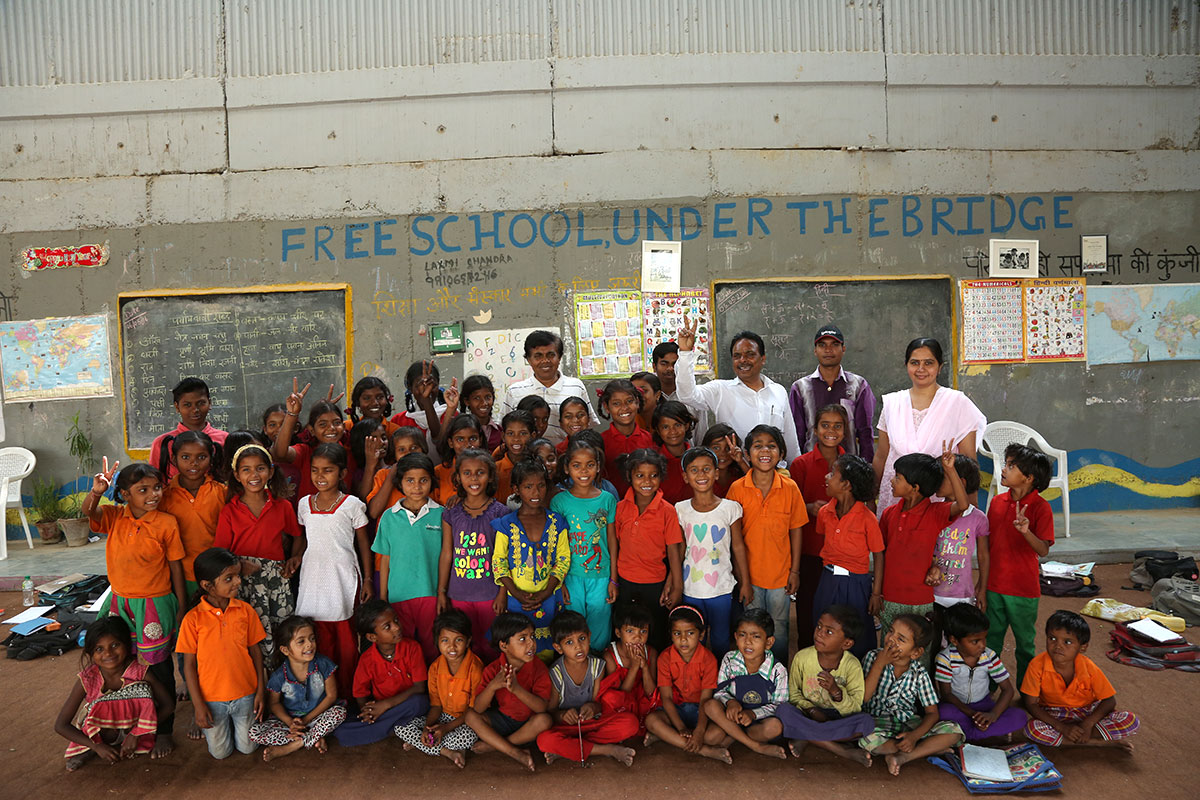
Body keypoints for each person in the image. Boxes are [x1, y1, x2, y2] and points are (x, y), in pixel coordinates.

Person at [83, 458, 185, 757]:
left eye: (156, 488)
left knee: (158, 665)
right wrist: (97, 492)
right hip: (119, 602)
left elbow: (176, 567)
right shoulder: (115, 516)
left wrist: (179, 606)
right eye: (143, 490)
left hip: (155, 602)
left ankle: (163, 729)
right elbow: (88, 512)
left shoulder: (166, 523)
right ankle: (117, 724)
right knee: (115, 662)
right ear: (125, 494)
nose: (153, 494)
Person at [873, 337, 986, 517]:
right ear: (906, 365)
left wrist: (972, 511)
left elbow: (968, 461)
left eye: (929, 363)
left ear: (940, 367)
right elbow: (881, 455)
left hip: (940, 498)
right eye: (914, 362)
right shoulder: (892, 404)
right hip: (896, 498)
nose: (921, 369)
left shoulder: (958, 403)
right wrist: (871, 497)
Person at [294, 443, 372, 699]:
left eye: (327, 470)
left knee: (346, 643)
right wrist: (296, 556)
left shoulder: (352, 505)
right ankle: (319, 696)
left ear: (342, 473)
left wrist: (368, 579)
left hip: (342, 580)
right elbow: (303, 538)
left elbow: (363, 544)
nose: (320, 476)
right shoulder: (305, 504)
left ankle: (347, 695)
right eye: (315, 470)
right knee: (315, 638)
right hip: (312, 581)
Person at [878, 449, 967, 670]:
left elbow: (963, 505)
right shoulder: (889, 514)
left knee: (919, 655)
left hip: (920, 602)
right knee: (888, 651)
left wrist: (949, 469)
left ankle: (920, 701)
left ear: (915, 488)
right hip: (889, 598)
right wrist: (875, 592)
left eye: (898, 477)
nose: (892, 480)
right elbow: (880, 555)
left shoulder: (936, 512)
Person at [725, 425, 807, 663]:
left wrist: (795, 571)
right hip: (749, 577)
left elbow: (796, 530)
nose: (765, 451)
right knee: (752, 628)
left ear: (781, 454)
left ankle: (778, 676)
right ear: (747, 453)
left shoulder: (790, 488)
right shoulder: (737, 489)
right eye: (758, 446)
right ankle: (754, 676)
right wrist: (742, 579)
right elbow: (733, 540)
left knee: (779, 628)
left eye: (771, 446)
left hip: (781, 576)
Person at [177, 547, 267, 760]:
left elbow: (257, 653)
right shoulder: (192, 620)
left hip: (245, 694)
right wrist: (198, 706)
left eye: (237, 576)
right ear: (207, 586)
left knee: (247, 748)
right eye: (229, 578)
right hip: (211, 699)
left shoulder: (245, 611)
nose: (238, 582)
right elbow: (188, 666)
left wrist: (260, 692)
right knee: (220, 753)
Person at [214, 443, 301, 658]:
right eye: (246, 470)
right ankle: (254, 680)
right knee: (248, 634)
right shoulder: (229, 511)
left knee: (279, 631)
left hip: (276, 581)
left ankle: (277, 682)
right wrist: (239, 566)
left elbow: (298, 536)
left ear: (271, 471)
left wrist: (295, 557)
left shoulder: (282, 506)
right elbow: (220, 553)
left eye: (260, 468)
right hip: (242, 581)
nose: (254, 475)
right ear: (236, 475)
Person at [674, 317, 801, 462]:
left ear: (763, 358)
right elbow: (687, 396)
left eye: (750, 354)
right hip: (735, 474)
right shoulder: (720, 390)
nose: (743, 360)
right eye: (737, 356)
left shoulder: (778, 392)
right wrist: (685, 353)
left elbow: (790, 440)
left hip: (773, 475)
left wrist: (794, 471)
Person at [55, 617, 172, 771]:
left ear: (127, 645)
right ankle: (89, 749)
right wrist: (96, 746)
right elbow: (61, 725)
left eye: (115, 645)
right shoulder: (88, 678)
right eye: (99, 649)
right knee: (98, 706)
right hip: (103, 735)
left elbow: (168, 705)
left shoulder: (141, 672)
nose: (108, 653)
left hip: (137, 732)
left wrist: (137, 733)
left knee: (141, 691)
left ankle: (133, 742)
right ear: (90, 653)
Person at [858, 614, 963, 776]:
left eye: (901, 639)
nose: (891, 639)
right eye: (890, 632)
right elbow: (864, 697)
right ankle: (924, 748)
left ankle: (902, 757)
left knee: (954, 731)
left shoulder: (919, 673)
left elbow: (932, 713)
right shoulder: (873, 657)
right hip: (876, 722)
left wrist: (914, 736)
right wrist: (879, 663)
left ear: (915, 653)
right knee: (866, 738)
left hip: (908, 723)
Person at [987, 444, 1055, 686]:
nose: (1004, 470)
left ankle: (1027, 694)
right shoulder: (996, 503)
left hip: (1023, 590)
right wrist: (981, 581)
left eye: (1011, 466)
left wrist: (1026, 531)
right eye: (1005, 464)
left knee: (1025, 644)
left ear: (1028, 477)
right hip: (994, 586)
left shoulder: (1041, 508)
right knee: (990, 643)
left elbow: (1043, 549)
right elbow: (987, 546)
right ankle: (987, 689)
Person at [1021, 611, 1138, 750]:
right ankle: (1097, 742)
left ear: (1083, 647)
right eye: (1052, 639)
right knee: (1032, 729)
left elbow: (1109, 701)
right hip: (1054, 713)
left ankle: (1074, 738)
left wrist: (1087, 724)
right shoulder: (1036, 665)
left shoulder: (1088, 667)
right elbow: (1031, 704)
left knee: (1130, 720)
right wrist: (1062, 727)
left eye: (1067, 642)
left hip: (1087, 712)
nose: (1058, 646)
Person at [492, 459, 572, 661]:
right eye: (528, 487)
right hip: (516, 600)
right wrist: (515, 592)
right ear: (516, 489)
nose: (535, 493)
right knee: (518, 647)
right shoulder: (506, 524)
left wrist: (546, 592)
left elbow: (563, 559)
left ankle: (543, 685)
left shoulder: (557, 522)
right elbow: (499, 562)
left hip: (549, 598)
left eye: (541, 486)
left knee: (546, 649)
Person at [536, 612, 639, 766]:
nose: (578, 646)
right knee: (544, 740)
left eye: (582, 639)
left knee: (631, 723)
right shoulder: (555, 673)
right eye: (569, 642)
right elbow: (550, 712)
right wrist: (563, 715)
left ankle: (570, 748)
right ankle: (607, 750)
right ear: (558, 648)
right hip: (568, 727)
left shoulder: (597, 666)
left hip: (593, 724)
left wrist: (593, 707)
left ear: (589, 637)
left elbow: (598, 704)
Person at [776, 606, 874, 764]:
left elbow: (856, 706)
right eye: (819, 626)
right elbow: (793, 695)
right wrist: (812, 710)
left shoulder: (852, 665)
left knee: (866, 722)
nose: (819, 633)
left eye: (829, 631)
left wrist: (836, 692)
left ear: (847, 643)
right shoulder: (802, 658)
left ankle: (806, 736)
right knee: (783, 710)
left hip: (837, 717)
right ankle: (841, 750)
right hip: (807, 713)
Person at [677, 447, 750, 655]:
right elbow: (680, 549)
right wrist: (672, 583)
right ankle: (698, 679)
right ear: (685, 476)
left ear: (716, 473)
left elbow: (738, 546)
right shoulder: (680, 510)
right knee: (693, 639)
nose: (701, 475)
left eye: (707, 469)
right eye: (694, 470)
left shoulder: (730, 508)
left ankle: (719, 680)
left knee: (720, 638)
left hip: (721, 588)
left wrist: (745, 582)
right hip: (690, 588)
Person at [811, 454, 884, 661]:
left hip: (856, 583)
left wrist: (876, 593)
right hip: (828, 579)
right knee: (824, 626)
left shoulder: (867, 519)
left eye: (833, 473)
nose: (827, 477)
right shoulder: (826, 512)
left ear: (846, 485)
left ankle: (857, 677)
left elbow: (879, 554)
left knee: (857, 630)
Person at [438, 448, 508, 661]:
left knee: (492, 645)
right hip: (459, 594)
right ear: (458, 477)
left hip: (490, 594)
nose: (474, 478)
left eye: (480, 472)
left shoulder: (501, 513)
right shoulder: (450, 513)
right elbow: (447, 553)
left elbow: (505, 557)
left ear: (490, 476)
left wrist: (503, 591)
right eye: (467, 473)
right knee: (466, 646)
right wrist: (442, 591)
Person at [373, 452, 444, 664]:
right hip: (398, 596)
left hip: (429, 593)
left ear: (432, 482)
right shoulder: (389, 516)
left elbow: (445, 558)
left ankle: (431, 688)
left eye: (423, 480)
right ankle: (409, 686)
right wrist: (384, 597)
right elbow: (384, 559)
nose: (417, 486)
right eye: (410, 480)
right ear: (400, 483)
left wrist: (442, 592)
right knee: (402, 644)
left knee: (431, 643)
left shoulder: (441, 514)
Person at [788, 404, 849, 649]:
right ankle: (806, 653)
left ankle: (837, 656)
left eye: (837, 426)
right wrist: (810, 506)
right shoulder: (801, 465)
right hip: (810, 549)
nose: (831, 431)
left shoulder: (850, 464)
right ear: (815, 429)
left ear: (845, 430)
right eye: (825, 425)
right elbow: (791, 506)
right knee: (808, 603)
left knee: (839, 602)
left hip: (841, 552)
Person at [249, 615, 347, 761]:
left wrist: (306, 720)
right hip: (290, 723)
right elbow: (274, 703)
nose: (309, 644)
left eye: (312, 638)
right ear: (285, 650)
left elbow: (331, 696)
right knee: (254, 732)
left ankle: (294, 745)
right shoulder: (279, 675)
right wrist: (291, 723)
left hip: (316, 717)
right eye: (301, 641)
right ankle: (315, 737)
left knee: (339, 712)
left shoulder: (323, 663)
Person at [551, 437, 618, 649]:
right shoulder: (559, 502)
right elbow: (555, 545)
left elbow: (612, 541)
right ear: (567, 468)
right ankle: (575, 663)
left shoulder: (607, 499)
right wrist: (559, 581)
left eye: (590, 465)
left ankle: (597, 666)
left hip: (601, 575)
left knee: (599, 619)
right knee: (573, 623)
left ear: (598, 467)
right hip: (570, 575)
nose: (584, 471)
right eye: (576, 465)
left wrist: (613, 579)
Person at [465, 611, 554, 771]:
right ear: (503, 645)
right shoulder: (493, 669)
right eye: (522, 639)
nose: (531, 643)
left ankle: (496, 745)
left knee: (545, 720)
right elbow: (478, 708)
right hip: (503, 720)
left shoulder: (538, 667)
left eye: (532, 636)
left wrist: (517, 689)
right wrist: (492, 686)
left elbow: (541, 708)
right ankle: (514, 752)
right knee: (470, 716)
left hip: (528, 726)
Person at [614, 449, 684, 651]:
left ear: (661, 477)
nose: (647, 481)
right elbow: (616, 545)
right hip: (626, 581)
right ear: (630, 477)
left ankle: (652, 675)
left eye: (654, 475)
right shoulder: (620, 508)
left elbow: (673, 550)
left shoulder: (667, 511)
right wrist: (614, 581)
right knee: (626, 631)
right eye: (640, 476)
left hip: (655, 583)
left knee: (654, 633)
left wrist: (676, 586)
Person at [333, 600, 429, 747]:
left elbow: (419, 687)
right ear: (372, 637)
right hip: (382, 712)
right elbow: (360, 694)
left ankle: (387, 730)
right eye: (387, 627)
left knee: (420, 702)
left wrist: (386, 705)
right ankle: (396, 729)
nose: (397, 627)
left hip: (406, 705)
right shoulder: (367, 659)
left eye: (396, 621)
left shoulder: (412, 648)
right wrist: (369, 714)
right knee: (341, 729)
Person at [394, 609, 483, 766]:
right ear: (437, 641)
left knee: (467, 737)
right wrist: (427, 729)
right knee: (400, 727)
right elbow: (435, 705)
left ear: (468, 641)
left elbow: (473, 712)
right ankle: (446, 751)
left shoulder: (475, 668)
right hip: (442, 717)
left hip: (465, 721)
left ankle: (424, 745)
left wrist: (445, 729)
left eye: (459, 640)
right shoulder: (435, 668)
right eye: (445, 641)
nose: (452, 647)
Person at [643, 606, 728, 763]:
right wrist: (681, 728)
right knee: (651, 721)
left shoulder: (709, 659)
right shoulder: (665, 658)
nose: (683, 639)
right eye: (677, 633)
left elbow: (705, 699)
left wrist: (700, 731)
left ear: (701, 634)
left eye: (690, 633)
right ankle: (703, 750)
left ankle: (668, 737)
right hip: (676, 710)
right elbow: (666, 697)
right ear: (671, 635)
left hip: (700, 711)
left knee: (716, 735)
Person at [703, 609, 788, 760]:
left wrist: (753, 714)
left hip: (758, 721)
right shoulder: (729, 659)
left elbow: (780, 705)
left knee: (774, 727)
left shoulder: (777, 670)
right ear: (736, 637)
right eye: (742, 635)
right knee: (710, 722)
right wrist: (730, 702)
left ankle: (735, 736)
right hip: (731, 716)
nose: (748, 642)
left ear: (769, 642)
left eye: (756, 636)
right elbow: (719, 692)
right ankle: (755, 745)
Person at [934, 603, 1026, 742]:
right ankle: (982, 732)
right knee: (942, 712)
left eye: (984, 638)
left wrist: (993, 715)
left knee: (1020, 716)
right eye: (975, 641)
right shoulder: (945, 659)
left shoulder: (989, 656)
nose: (982, 645)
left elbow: (1007, 690)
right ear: (954, 640)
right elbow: (946, 694)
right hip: (959, 708)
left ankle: (966, 734)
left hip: (985, 706)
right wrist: (972, 714)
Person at [929, 456, 990, 656]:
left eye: (942, 477)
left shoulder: (978, 518)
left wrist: (982, 588)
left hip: (962, 596)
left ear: (959, 481)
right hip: (932, 593)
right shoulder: (934, 511)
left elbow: (983, 555)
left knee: (958, 646)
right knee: (933, 640)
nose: (936, 482)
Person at [788, 325, 876, 460]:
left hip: (849, 467)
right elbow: (797, 434)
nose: (828, 350)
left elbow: (865, 432)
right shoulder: (800, 388)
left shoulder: (858, 385)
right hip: (811, 466)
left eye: (834, 344)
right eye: (822, 345)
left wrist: (867, 469)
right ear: (815, 351)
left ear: (843, 349)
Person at [502, 330, 599, 445]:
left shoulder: (576, 387)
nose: (545, 361)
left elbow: (588, 425)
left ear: (560, 357)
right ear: (528, 359)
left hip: (569, 457)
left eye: (551, 355)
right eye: (538, 356)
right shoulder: (514, 391)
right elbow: (506, 429)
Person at [271, 378, 350, 503]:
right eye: (323, 424)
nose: (331, 429)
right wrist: (292, 414)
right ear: (312, 430)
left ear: (344, 427)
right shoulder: (306, 451)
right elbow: (280, 453)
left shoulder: (348, 451)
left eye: (336, 423)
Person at [149, 378, 228, 479]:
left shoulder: (224, 439)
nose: (195, 410)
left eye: (201, 403)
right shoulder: (162, 443)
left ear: (210, 403)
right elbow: (154, 480)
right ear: (177, 407)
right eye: (187, 405)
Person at [599, 603, 661, 732]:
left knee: (661, 697)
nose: (637, 637)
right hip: (624, 701)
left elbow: (651, 693)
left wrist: (644, 667)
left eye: (643, 631)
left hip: (641, 699)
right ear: (618, 632)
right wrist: (634, 667)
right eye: (630, 631)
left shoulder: (651, 653)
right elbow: (621, 695)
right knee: (610, 698)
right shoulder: (610, 656)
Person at [599, 378, 655, 497]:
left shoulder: (649, 439)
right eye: (616, 403)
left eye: (629, 401)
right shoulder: (601, 441)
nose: (624, 408)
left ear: (637, 402)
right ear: (607, 407)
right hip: (610, 507)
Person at [652, 340, 707, 442]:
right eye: (664, 364)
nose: (670, 369)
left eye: (675, 364)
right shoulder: (650, 397)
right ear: (654, 367)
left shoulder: (694, 396)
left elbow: (701, 433)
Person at [652, 400, 697, 504]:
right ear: (658, 430)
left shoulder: (698, 458)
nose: (672, 431)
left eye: (677, 425)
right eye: (665, 427)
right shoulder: (652, 461)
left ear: (686, 426)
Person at [434, 414, 485, 506]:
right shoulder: (439, 472)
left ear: (480, 440)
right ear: (451, 443)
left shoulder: (489, 469)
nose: (467, 444)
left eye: (473, 438)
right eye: (460, 439)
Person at [495, 409, 536, 501]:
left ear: (532, 436)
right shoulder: (495, 470)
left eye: (523, 433)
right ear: (503, 437)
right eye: (510, 433)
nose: (516, 439)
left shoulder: (538, 468)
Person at [458, 374, 503, 451]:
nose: (484, 403)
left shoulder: (500, 431)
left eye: (488, 397)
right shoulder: (459, 430)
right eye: (477, 398)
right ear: (467, 401)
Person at [701, 424, 746, 497]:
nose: (723, 453)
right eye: (716, 448)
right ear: (706, 449)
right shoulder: (701, 476)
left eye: (728, 448)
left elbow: (757, 485)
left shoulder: (737, 475)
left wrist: (741, 461)